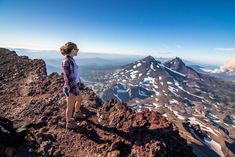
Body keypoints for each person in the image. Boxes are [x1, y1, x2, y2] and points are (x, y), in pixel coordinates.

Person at [60, 42, 86, 130]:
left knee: (80, 99)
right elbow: (69, 78)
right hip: (71, 87)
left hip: (75, 85)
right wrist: (73, 89)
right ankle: (69, 122)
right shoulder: (67, 61)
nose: (77, 51)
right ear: (72, 50)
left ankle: (77, 113)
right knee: (70, 106)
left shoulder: (71, 59)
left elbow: (74, 74)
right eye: (77, 50)